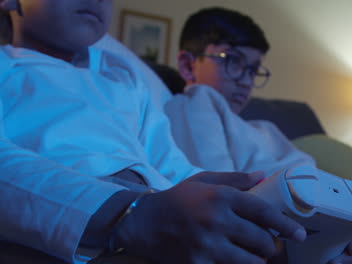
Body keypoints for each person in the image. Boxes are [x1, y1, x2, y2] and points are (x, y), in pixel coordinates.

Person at [0, 1, 309, 264]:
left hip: (162, 216)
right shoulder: (6, 66)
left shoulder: (122, 79)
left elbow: (171, 165)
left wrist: (247, 203)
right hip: (76, 230)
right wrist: (125, 214)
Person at [164, 6, 352, 264]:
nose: (245, 80)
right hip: (306, 239)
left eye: (254, 69)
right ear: (188, 64)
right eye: (232, 61)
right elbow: (217, 196)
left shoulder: (265, 129)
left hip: (341, 225)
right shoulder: (195, 102)